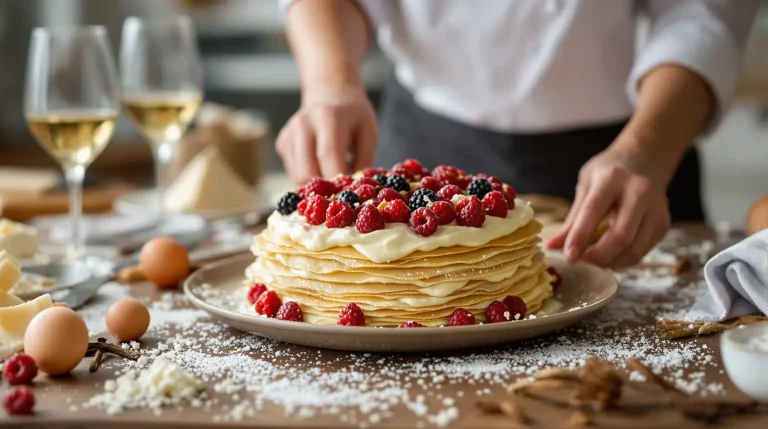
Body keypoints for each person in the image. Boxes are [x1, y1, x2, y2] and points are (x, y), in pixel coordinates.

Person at [274, 0, 758, 268]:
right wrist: (330, 85)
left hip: (630, 157)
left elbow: (701, 13)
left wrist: (649, 148)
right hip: (418, 164)